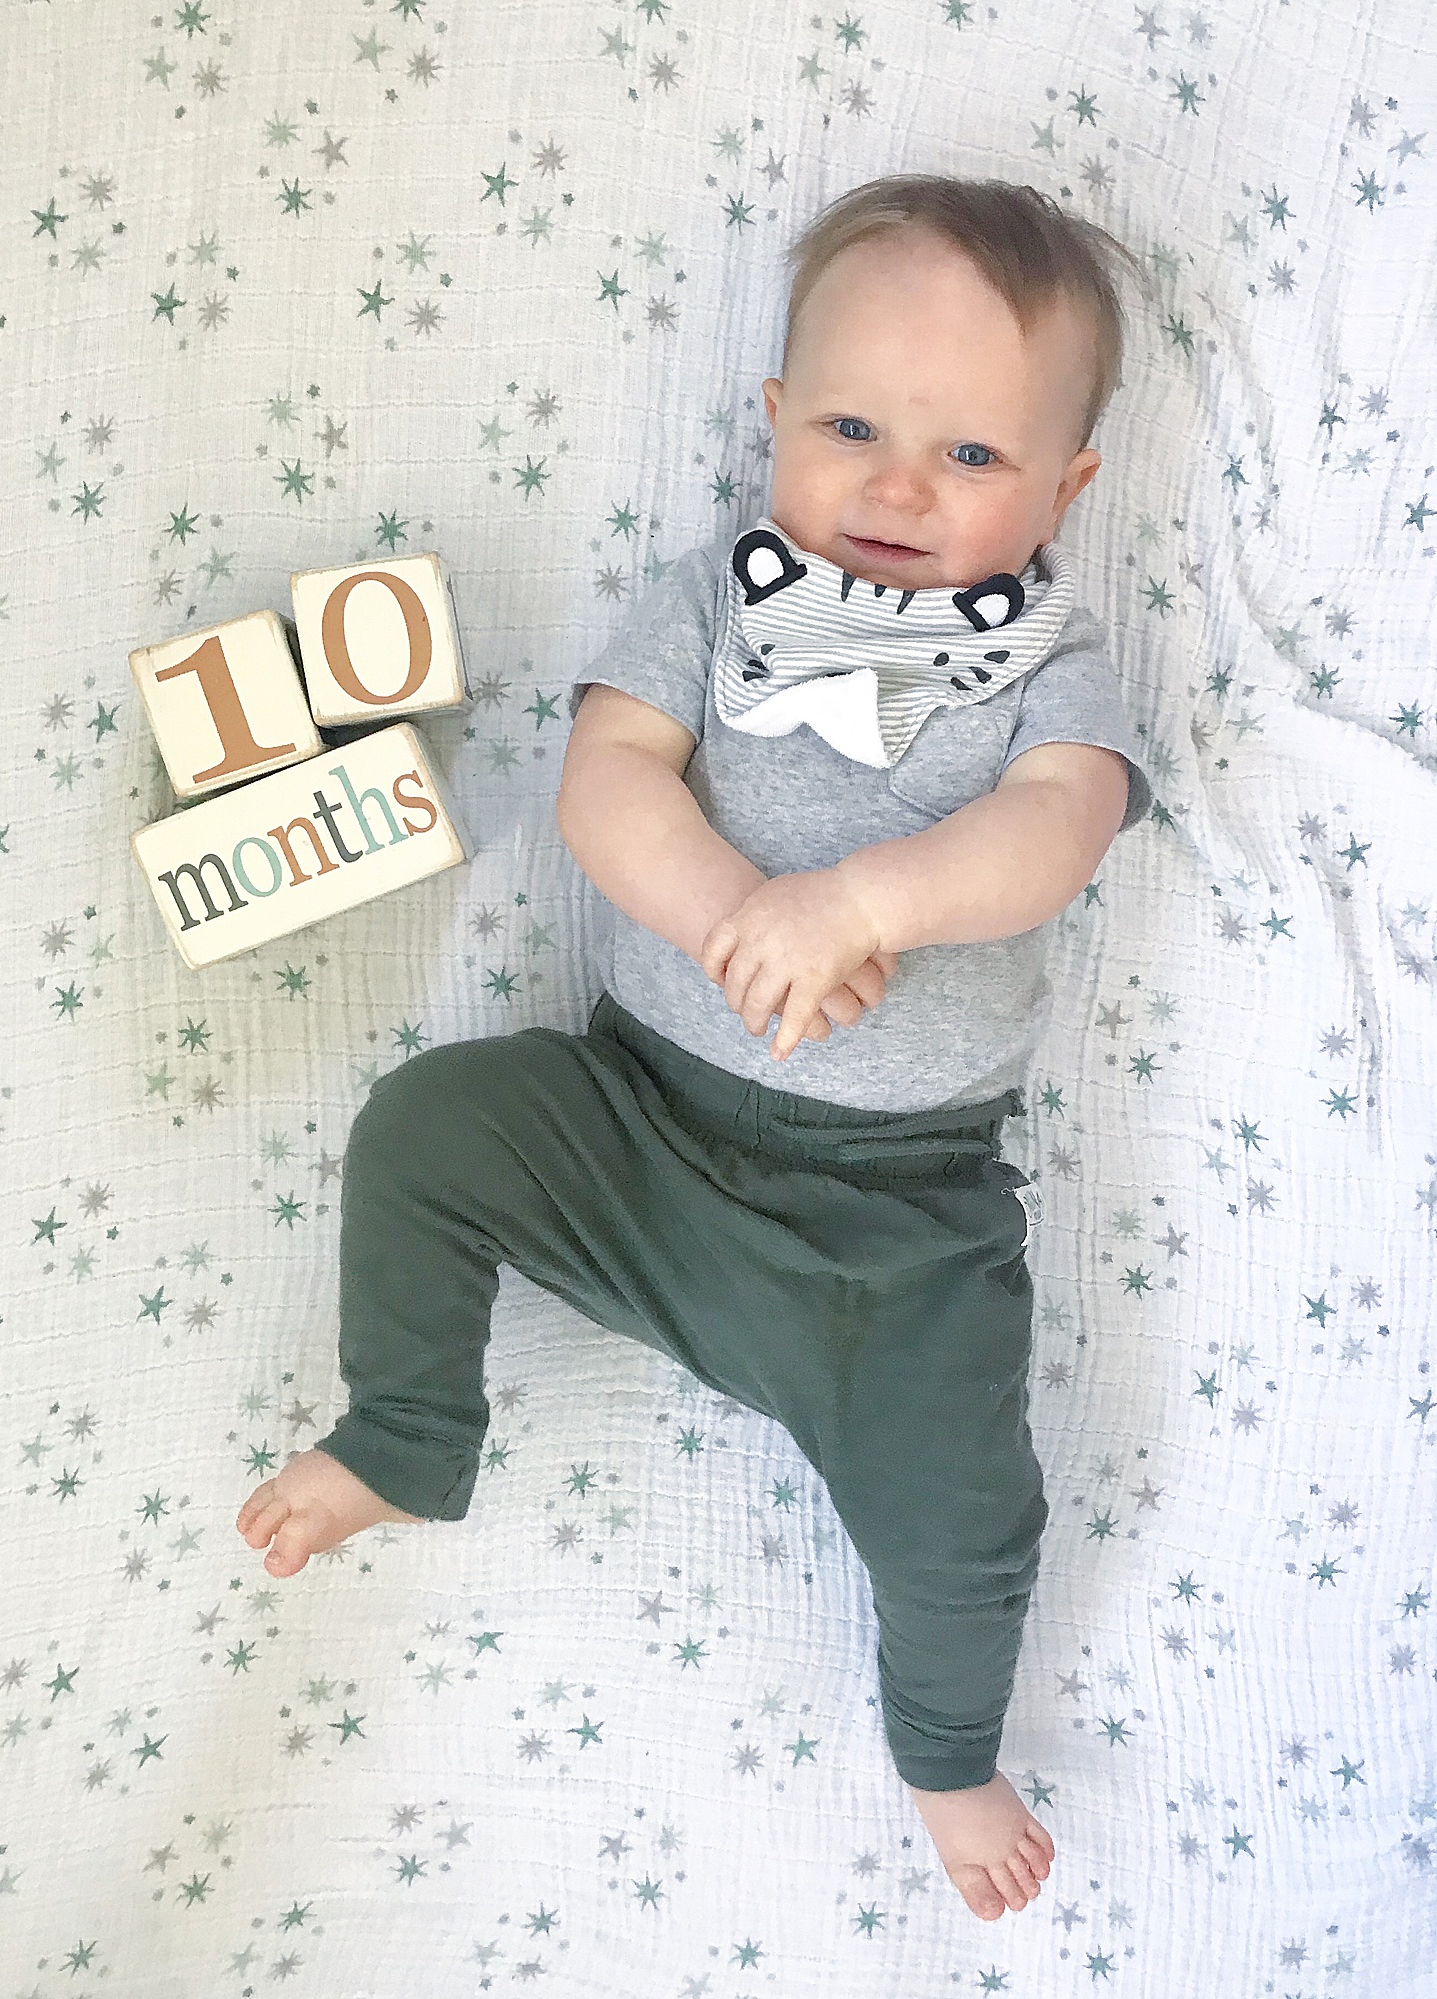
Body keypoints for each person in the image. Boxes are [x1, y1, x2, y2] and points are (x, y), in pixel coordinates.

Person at [237, 175, 1152, 1924]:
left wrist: (863, 904)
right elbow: (608, 777)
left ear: (1066, 491)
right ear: (772, 423)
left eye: (971, 459)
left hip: (893, 1225)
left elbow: (1058, 830)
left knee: (969, 1516)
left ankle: (947, 1748)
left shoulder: (1052, 661)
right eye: (854, 427)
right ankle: (406, 1431)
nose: (896, 485)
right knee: (431, 1123)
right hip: (635, 1122)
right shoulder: (719, 599)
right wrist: (741, 901)